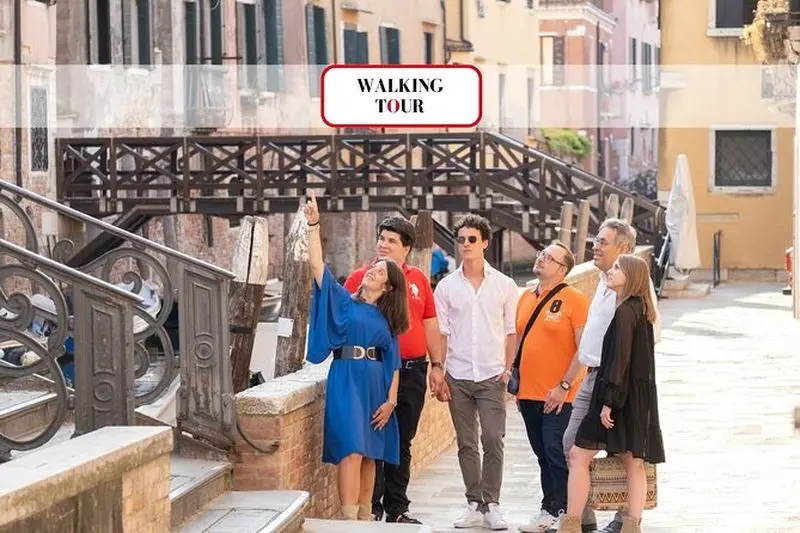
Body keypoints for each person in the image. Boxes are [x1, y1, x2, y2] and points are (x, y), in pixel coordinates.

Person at [303, 193, 409, 521]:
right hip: (346, 378)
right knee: (351, 449)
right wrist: (313, 225)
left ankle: (365, 520)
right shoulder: (344, 301)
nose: (371, 273)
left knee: (369, 456)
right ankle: (348, 522)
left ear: (389, 287)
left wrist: (391, 400)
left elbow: (393, 361)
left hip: (376, 384)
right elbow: (318, 266)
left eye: (379, 273)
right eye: (372, 270)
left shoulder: (388, 318)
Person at [559, 218, 661, 533]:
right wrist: (566, 382)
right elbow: (588, 341)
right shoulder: (604, 284)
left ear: (623, 249)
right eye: (597, 240)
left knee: (622, 454)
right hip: (594, 377)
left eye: (603, 241)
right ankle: (587, 518)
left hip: (614, 383)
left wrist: (615, 395)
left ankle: (612, 520)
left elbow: (640, 344)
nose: (596, 246)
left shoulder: (631, 299)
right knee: (572, 447)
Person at [343, 215, 445, 524]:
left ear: (407, 249)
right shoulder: (361, 278)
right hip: (373, 372)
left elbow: (430, 323)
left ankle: (398, 508)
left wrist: (437, 365)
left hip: (412, 370)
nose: (384, 245)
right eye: (382, 238)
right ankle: (370, 506)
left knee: (403, 441)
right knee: (371, 440)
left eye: (391, 241)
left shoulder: (418, 281)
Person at [433, 213, 520, 531]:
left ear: (484, 243)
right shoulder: (445, 287)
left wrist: (508, 369)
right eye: (461, 239)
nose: (465, 245)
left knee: (493, 438)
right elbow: (441, 332)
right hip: (457, 373)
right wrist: (439, 369)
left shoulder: (505, 285)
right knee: (466, 442)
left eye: (472, 239)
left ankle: (493, 504)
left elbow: (512, 331)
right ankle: (474, 503)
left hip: (491, 374)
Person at [515, 242, 590, 533]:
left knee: (555, 449)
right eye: (541, 254)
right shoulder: (526, 297)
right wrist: (514, 374)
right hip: (528, 392)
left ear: (562, 269)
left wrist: (564, 385)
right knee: (542, 453)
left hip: (561, 394)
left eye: (549, 257)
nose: (541, 258)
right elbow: (520, 340)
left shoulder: (575, 299)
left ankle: (560, 511)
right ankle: (552, 508)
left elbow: (583, 348)